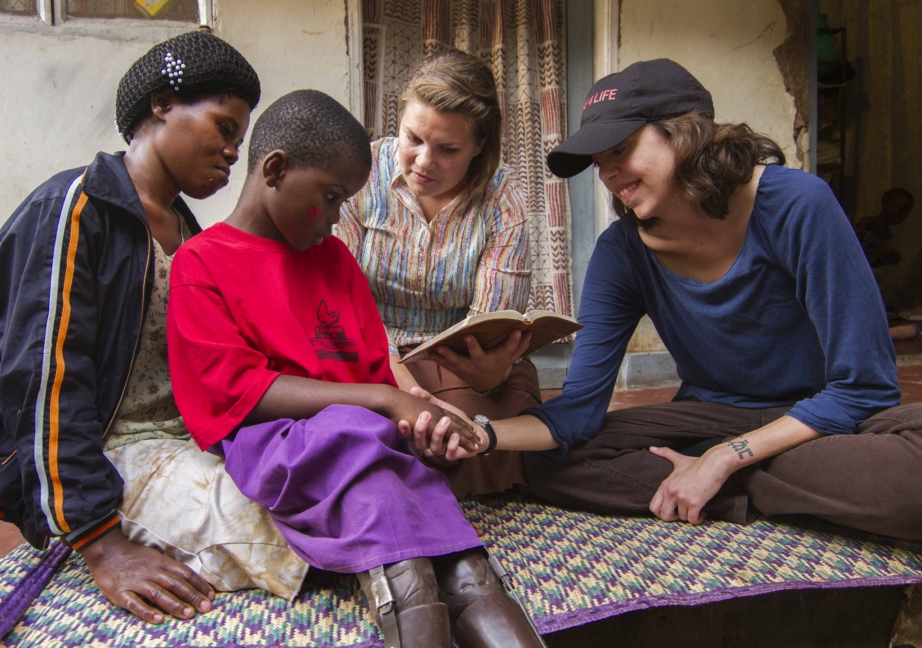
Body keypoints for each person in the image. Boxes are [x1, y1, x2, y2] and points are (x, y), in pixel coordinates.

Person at [407, 58, 922, 540]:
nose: (607, 173)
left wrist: (725, 458)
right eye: (597, 161)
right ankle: (749, 483)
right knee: (552, 462)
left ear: (685, 132)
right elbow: (581, 410)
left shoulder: (796, 205)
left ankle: (719, 478)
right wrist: (482, 435)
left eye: (620, 150)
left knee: (911, 473)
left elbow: (865, 389)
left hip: (817, 417)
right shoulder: (622, 252)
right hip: (709, 416)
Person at [166, 89, 545, 648]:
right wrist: (386, 403)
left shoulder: (335, 260)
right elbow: (235, 392)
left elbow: (377, 368)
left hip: (362, 433)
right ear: (275, 170)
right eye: (331, 196)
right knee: (368, 450)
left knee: (463, 562)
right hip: (281, 440)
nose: (338, 217)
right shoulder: (203, 262)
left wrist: (420, 417)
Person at [0, 31, 303, 625]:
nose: (232, 153)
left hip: (187, 436)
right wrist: (102, 544)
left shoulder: (187, 232)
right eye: (223, 128)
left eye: (240, 141)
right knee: (280, 532)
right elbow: (42, 384)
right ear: (163, 104)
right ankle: (87, 518)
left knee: (313, 484)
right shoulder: (74, 208)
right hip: (112, 446)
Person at [336, 50, 539, 499]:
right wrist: (405, 388)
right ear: (400, 120)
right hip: (367, 355)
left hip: (458, 364)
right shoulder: (360, 176)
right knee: (407, 422)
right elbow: (341, 304)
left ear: (480, 147)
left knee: (481, 420)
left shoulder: (504, 200)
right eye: (413, 139)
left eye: (448, 150)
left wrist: (491, 373)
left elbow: (490, 323)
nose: (424, 162)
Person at [855, 187, 914, 267]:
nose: (904, 215)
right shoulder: (868, 223)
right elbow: (852, 246)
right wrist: (880, 252)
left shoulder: (887, 235)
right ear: (887, 205)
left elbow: (872, 262)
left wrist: (887, 260)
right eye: (901, 210)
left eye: (906, 212)